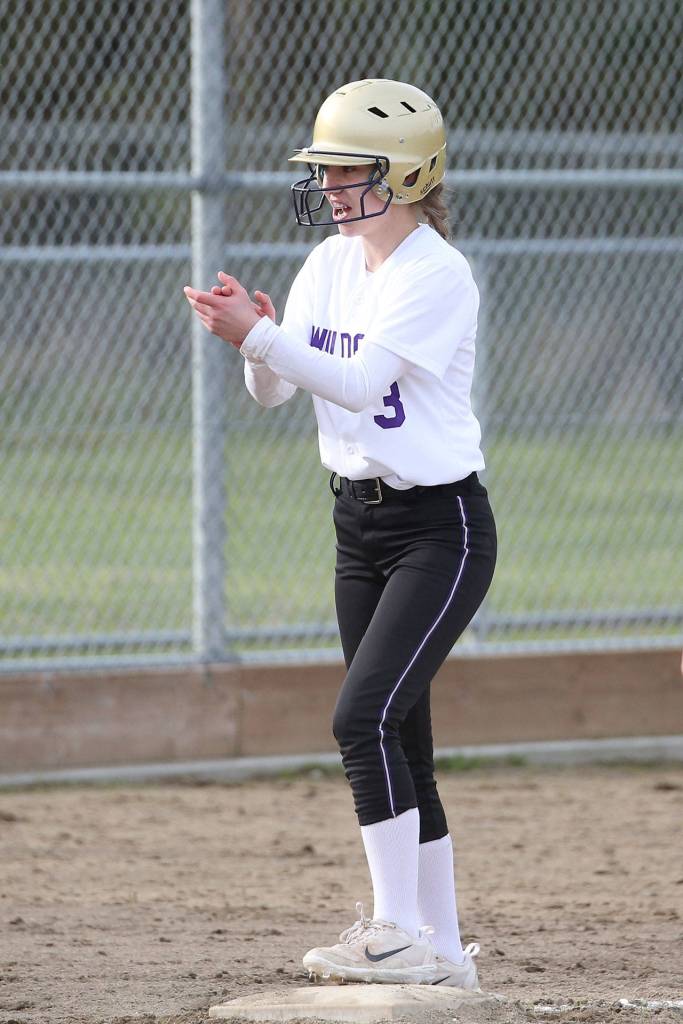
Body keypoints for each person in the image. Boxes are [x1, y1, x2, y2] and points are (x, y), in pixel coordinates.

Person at [184, 79, 497, 989]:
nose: (326, 185)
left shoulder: (435, 271)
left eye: (345, 168)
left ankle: (394, 931)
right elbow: (277, 390)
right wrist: (257, 343)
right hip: (356, 523)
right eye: (322, 168)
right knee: (402, 739)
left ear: (405, 174)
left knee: (360, 720)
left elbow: (359, 385)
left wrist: (262, 338)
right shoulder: (330, 260)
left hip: (438, 528)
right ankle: (442, 952)